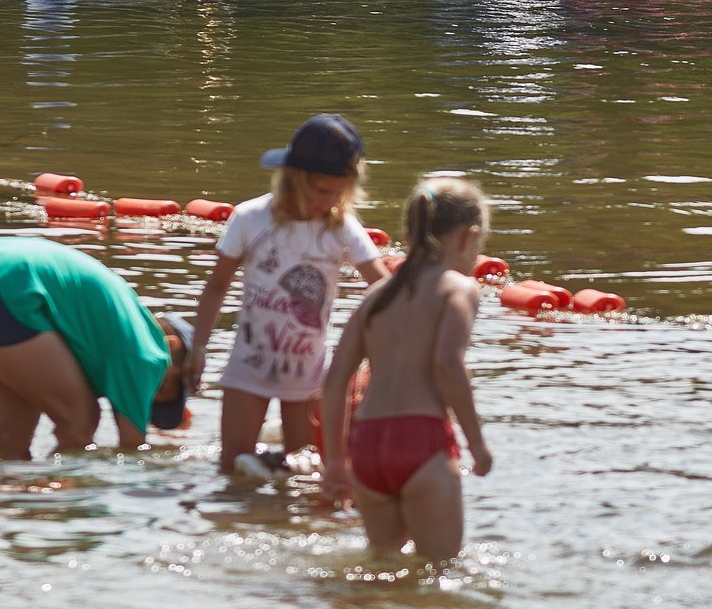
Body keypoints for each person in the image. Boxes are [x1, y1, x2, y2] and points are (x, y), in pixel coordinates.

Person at [189, 113, 392, 482]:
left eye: (338, 192)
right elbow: (217, 286)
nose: (327, 200)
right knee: (232, 470)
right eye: (320, 190)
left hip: (307, 373)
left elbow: (381, 286)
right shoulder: (250, 218)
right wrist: (198, 346)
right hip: (249, 365)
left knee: (303, 472)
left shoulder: (340, 227)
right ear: (293, 179)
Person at [317, 178, 494, 561]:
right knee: (439, 572)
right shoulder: (457, 289)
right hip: (421, 440)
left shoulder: (377, 295)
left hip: (366, 445)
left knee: (382, 565)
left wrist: (335, 459)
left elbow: (335, 380)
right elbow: (447, 363)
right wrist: (476, 442)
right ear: (468, 238)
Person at [0, 236, 190, 460]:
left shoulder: (120, 328)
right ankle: (63, 513)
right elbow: (133, 449)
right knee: (80, 420)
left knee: (18, 421)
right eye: (163, 387)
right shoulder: (150, 353)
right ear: (171, 346)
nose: (147, 393)